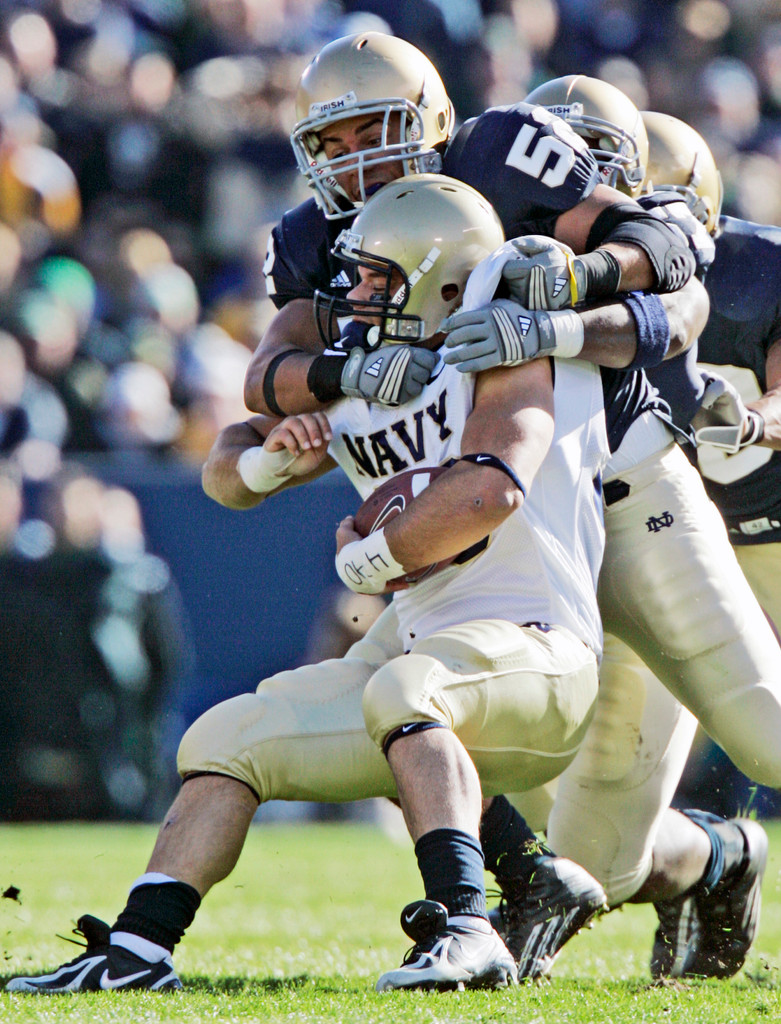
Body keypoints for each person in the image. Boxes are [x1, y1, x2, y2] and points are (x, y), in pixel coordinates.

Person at [6, 175, 610, 994]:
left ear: (439, 278)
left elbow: (489, 488)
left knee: (405, 687)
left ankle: (469, 925)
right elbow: (225, 471)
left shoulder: (513, 348)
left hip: (538, 644)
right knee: (226, 737)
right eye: (355, 275)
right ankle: (138, 951)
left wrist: (370, 557)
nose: (357, 294)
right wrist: (270, 456)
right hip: (425, 650)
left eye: (378, 278)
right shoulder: (367, 371)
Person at [441, 76, 779, 982]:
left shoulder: (717, 264)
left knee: (750, 743)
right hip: (534, 539)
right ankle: (487, 902)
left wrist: (567, 309)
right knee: (403, 701)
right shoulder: (453, 234)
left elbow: (672, 307)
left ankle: (711, 858)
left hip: (659, 523)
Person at [635, 109, 781, 975]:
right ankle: (712, 858)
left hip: (773, 524)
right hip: (666, 542)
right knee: (597, 811)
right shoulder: (561, 282)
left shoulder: (761, 268)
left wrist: (759, 419)